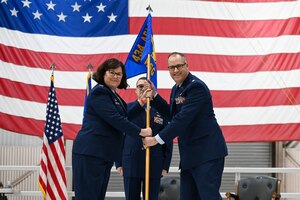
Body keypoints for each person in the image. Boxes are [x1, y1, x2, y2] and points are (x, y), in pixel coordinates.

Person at [143, 52, 228, 200]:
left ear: (187, 65)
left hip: (206, 153)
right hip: (189, 155)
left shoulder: (197, 87)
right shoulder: (177, 88)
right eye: (171, 67)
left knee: (209, 197)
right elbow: (173, 116)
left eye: (179, 66)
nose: (175, 71)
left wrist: (156, 139)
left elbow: (182, 119)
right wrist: (155, 97)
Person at [72, 58, 152, 200]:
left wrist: (141, 102)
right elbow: (115, 119)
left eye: (119, 74)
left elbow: (124, 114)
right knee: (88, 196)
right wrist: (141, 132)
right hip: (91, 152)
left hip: (103, 154)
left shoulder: (113, 95)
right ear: (103, 73)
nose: (116, 76)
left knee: (97, 196)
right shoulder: (99, 93)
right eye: (112, 72)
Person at [115, 77, 173, 200]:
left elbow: (167, 137)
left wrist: (165, 165)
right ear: (135, 90)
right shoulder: (127, 109)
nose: (143, 89)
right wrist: (118, 162)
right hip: (131, 161)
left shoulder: (161, 110)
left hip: (154, 162)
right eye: (140, 86)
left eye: (146, 86)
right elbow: (118, 135)